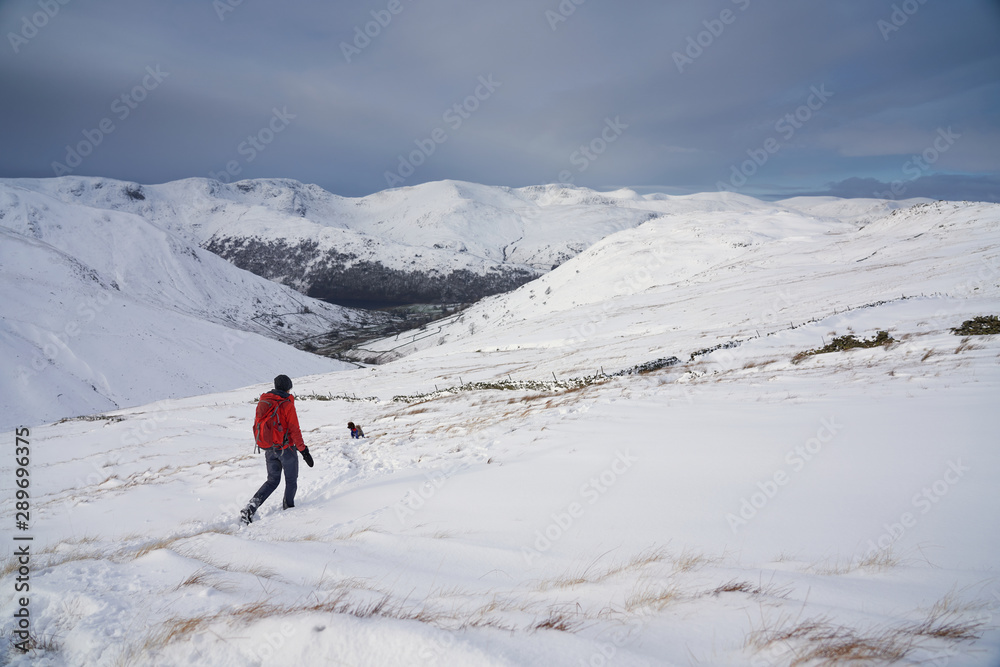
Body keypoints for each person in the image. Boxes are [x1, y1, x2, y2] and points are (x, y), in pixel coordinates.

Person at [240, 375, 313, 524]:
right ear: (288, 387)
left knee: (272, 481)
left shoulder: (264, 401)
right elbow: (294, 430)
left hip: (269, 449)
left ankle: (249, 509)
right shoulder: (287, 404)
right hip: (286, 449)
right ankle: (289, 509)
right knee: (291, 480)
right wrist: (304, 451)